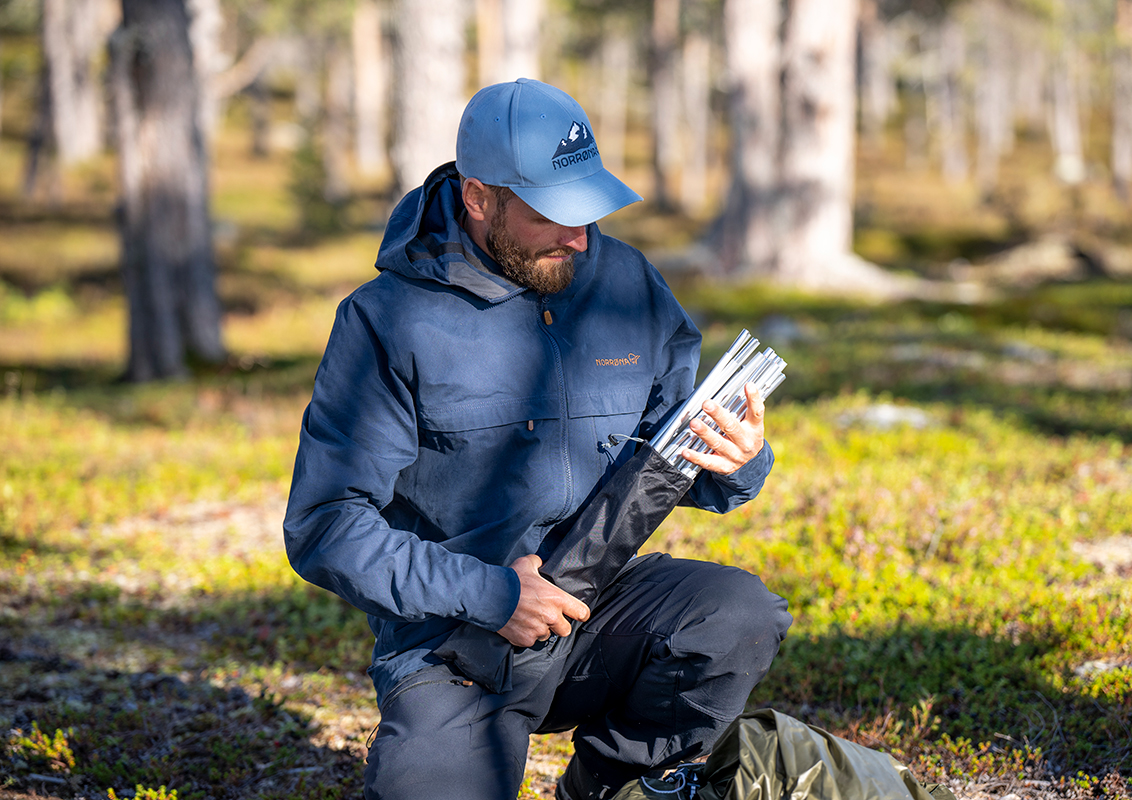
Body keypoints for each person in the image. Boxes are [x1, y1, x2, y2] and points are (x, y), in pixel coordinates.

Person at [283, 78, 792, 800]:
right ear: (479, 197)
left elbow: (680, 450)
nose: (579, 237)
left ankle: (613, 787)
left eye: (589, 209)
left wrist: (742, 460)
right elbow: (325, 528)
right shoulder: (383, 321)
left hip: (600, 603)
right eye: (552, 214)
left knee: (736, 613)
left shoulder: (627, 281)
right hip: (453, 643)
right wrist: (493, 593)